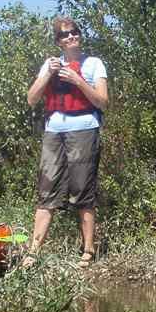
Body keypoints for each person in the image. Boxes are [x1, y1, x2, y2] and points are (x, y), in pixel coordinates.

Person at [26, 16, 108, 266]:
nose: (71, 36)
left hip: (84, 128)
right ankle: (33, 251)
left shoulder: (94, 64)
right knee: (46, 190)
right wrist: (46, 76)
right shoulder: (49, 65)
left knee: (83, 190)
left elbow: (103, 102)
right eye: (65, 35)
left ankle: (88, 250)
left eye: (74, 32)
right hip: (54, 131)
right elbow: (32, 99)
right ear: (58, 41)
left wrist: (78, 81)